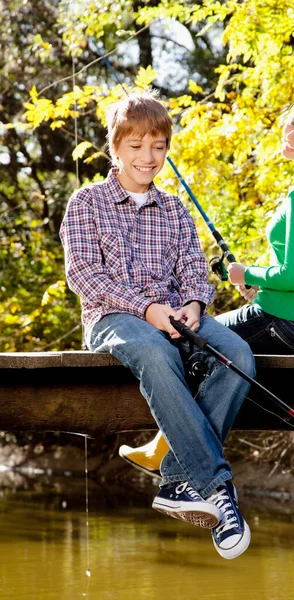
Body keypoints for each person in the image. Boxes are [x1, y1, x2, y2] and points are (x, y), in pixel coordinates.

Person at [60, 90, 255, 561]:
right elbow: (83, 275)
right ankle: (216, 488)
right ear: (115, 147)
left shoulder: (173, 210)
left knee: (239, 357)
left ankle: (177, 476)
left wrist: (193, 303)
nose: (149, 158)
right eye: (136, 147)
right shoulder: (87, 203)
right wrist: (146, 309)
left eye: (159, 147)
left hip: (178, 315)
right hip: (114, 317)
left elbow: (192, 265)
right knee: (155, 351)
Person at [123, 91, 294, 476]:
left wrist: (244, 274)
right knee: (209, 343)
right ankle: (167, 447)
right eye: (292, 122)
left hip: (292, 325)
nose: (291, 134)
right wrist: (263, 287)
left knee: (187, 338)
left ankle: (174, 453)